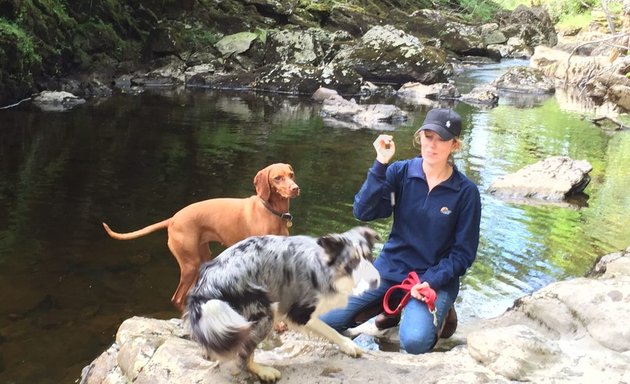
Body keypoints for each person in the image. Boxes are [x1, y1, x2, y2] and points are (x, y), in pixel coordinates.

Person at [320, 107, 482, 354]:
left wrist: (430, 281)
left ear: (455, 145)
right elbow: (364, 211)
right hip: (389, 270)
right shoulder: (400, 173)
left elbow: (463, 254)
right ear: (420, 138)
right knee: (323, 321)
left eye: (442, 139)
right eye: (428, 136)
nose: (432, 145)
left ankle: (443, 310)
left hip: (433, 280)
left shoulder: (466, 193)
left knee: (414, 342)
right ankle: (389, 307)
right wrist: (380, 164)